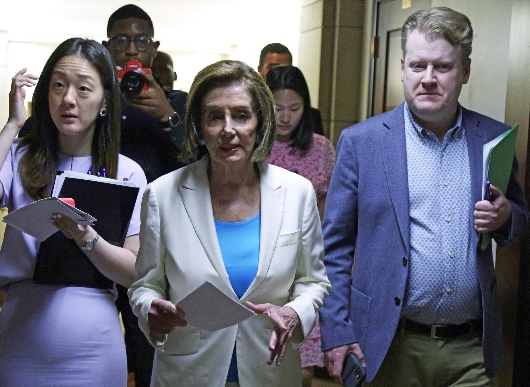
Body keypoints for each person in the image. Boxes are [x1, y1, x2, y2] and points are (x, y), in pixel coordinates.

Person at [319, 7, 529, 386]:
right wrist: (337, 332)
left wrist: (507, 216)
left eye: (442, 67)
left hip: (471, 350)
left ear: (465, 71)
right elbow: (332, 250)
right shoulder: (361, 143)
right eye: (417, 66)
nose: (428, 79)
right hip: (388, 345)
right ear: (401, 67)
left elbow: (519, 220)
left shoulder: (493, 140)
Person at [0, 38, 147, 386]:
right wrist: (14, 125)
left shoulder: (127, 172)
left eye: (83, 88)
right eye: (58, 86)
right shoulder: (20, 158)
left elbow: (134, 272)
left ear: (105, 101)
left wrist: (88, 239)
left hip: (95, 347)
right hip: (20, 339)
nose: (68, 99)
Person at [128, 60, 331, 386]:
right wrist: (149, 307)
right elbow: (144, 285)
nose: (227, 129)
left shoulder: (297, 193)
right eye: (214, 116)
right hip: (189, 372)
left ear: (260, 122)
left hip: (270, 370)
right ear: (198, 125)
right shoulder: (162, 195)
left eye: (240, 115)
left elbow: (314, 282)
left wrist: (295, 313)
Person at [102, 6, 189, 385]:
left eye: (140, 41)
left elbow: (205, 165)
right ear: (108, 48)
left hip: (162, 243)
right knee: (101, 343)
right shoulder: (96, 102)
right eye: (122, 40)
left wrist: (168, 115)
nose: (131, 49)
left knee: (150, 346)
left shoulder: (181, 104)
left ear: (153, 48)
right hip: (103, 239)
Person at [265, 65, 335, 386]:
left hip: (305, 265)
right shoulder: (254, 147)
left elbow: (326, 211)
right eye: (277, 108)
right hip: (264, 262)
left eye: (294, 108)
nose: (285, 117)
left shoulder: (320, 148)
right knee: (263, 357)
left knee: (303, 367)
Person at [258, 43, 324, 136]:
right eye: (278, 109)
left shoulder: (312, 121)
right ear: (260, 69)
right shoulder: (251, 111)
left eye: (294, 109)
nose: (285, 119)